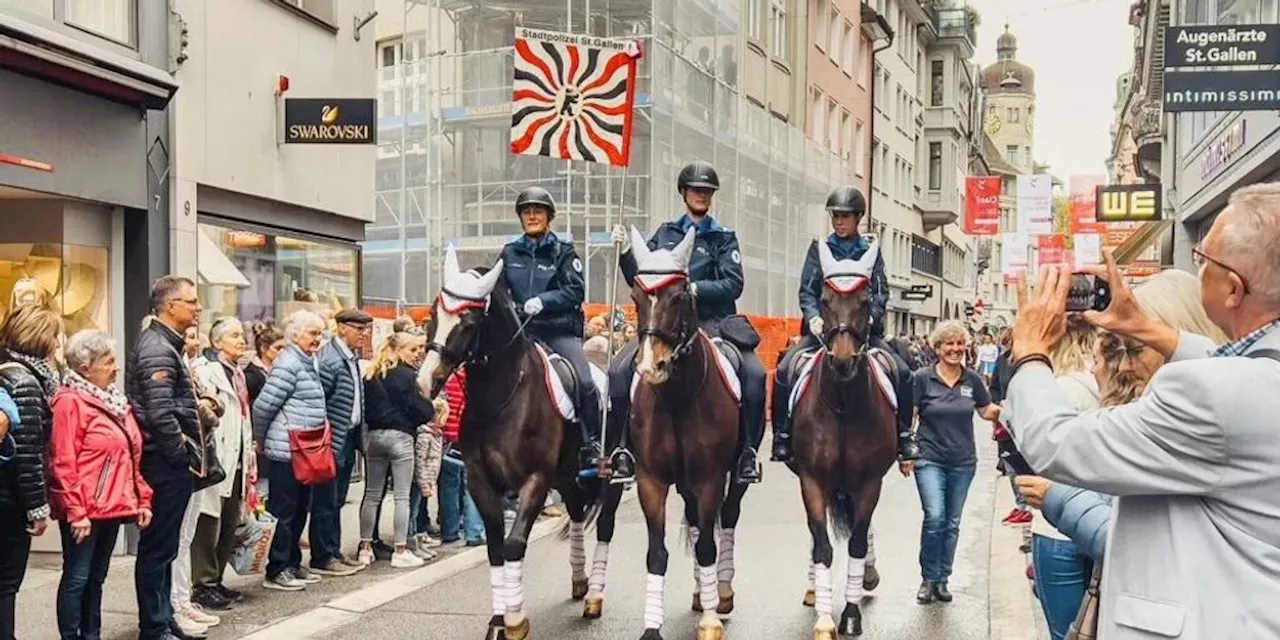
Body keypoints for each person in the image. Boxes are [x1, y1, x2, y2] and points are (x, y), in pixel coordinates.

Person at [1007, 183, 1280, 639]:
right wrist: (1149, 328)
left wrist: (1031, 352)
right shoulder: (1253, 378)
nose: (1197, 271)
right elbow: (1241, 376)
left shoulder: (1212, 396)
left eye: (1203, 260)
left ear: (1234, 289)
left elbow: (1057, 444)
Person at [1011, 266, 1229, 640]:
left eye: (1136, 347)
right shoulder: (1233, 388)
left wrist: (1030, 351)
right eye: (1118, 349)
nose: (1124, 365)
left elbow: (1054, 442)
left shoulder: (1198, 411)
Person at [608, 160, 768, 483]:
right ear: (683, 193)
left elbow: (733, 283)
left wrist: (693, 289)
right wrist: (625, 252)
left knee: (753, 373)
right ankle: (622, 448)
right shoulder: (666, 233)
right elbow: (642, 279)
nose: (701, 195)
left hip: (712, 323)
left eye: (706, 191)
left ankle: (747, 452)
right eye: (695, 190)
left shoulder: (723, 238)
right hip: (665, 324)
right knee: (618, 369)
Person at [769, 186, 917, 465]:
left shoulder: (871, 250)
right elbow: (807, 290)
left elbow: (881, 291)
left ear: (858, 217)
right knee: (786, 369)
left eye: (845, 216)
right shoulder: (820, 249)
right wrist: (813, 316)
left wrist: (870, 317)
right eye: (835, 215)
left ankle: (905, 435)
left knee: (903, 373)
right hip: (824, 332)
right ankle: (783, 435)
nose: (839, 221)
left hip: (862, 333)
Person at [49, 329, 153, 640]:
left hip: (111, 506)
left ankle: (91, 634)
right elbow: (62, 460)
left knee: (97, 578)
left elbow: (130, 454)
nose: (116, 367)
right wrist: (76, 511)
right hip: (85, 509)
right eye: (108, 361)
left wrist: (142, 499)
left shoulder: (114, 401)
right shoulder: (69, 402)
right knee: (77, 578)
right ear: (85, 367)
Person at [500, 186, 603, 474]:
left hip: (558, 332)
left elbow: (575, 290)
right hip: (522, 332)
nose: (532, 216)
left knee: (583, 380)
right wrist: (511, 308)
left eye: (538, 211)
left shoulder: (564, 251)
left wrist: (543, 301)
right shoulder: (509, 253)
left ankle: (591, 443)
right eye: (527, 211)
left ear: (549, 217)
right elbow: (499, 290)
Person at [128, 276, 204, 640]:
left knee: (167, 546)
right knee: (158, 548)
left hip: (169, 462)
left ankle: (163, 618)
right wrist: (182, 455)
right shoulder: (157, 347)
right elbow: (159, 415)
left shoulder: (167, 345)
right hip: (164, 464)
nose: (198, 307)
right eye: (191, 301)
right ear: (170, 306)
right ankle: (154, 625)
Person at [904, 320, 1000, 606]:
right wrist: (906, 452)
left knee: (952, 522)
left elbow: (986, 411)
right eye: (949, 344)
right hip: (928, 458)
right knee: (934, 517)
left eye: (960, 344)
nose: (955, 349)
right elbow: (911, 416)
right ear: (938, 347)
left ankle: (943, 578)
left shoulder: (972, 380)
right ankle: (928, 578)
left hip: (963, 461)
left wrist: (1010, 410)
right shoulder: (922, 378)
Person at [252, 310, 329, 592]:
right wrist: (261, 441)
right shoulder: (289, 364)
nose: (317, 340)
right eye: (312, 333)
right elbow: (263, 407)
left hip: (304, 449)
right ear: (296, 335)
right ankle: (277, 568)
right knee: (284, 511)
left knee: (299, 509)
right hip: (287, 449)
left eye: (320, 334)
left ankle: (293, 563)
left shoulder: (307, 361)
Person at [187, 318, 257, 611]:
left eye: (242, 335)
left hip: (238, 455)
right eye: (234, 336)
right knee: (209, 523)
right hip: (219, 454)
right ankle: (203, 583)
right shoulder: (207, 370)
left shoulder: (239, 372)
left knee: (230, 521)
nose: (241, 340)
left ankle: (216, 579)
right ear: (217, 343)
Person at [0, 305, 61, 639]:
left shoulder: (8, 372)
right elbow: (28, 453)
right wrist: (37, 508)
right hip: (9, 499)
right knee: (7, 581)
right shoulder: (26, 382)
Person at [359, 331, 436, 568]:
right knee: (401, 495)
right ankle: (400, 550)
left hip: (374, 435)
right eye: (412, 350)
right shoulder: (405, 376)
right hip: (401, 436)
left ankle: (365, 547)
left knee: (372, 493)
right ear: (399, 350)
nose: (417, 354)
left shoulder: (371, 374)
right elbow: (422, 410)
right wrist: (429, 406)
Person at [313, 309, 374, 577]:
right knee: (326, 500)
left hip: (348, 437)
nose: (364, 334)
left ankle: (334, 549)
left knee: (338, 498)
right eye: (358, 329)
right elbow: (319, 401)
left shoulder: (348, 358)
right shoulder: (330, 360)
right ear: (341, 328)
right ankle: (323, 554)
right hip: (332, 439)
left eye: (366, 329)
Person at [436, 368, 484, 546]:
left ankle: (449, 531)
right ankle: (474, 533)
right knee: (472, 486)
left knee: (448, 486)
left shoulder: (448, 381)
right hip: (470, 438)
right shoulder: (477, 383)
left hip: (448, 439)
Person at [245, 322, 283, 501]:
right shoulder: (252, 375)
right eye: (278, 348)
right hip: (259, 439)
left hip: (275, 440)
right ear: (264, 348)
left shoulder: (278, 371)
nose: (282, 352)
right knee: (261, 491)